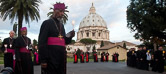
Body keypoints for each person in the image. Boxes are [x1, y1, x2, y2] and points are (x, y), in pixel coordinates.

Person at [38, 2, 75, 74]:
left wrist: (70, 36)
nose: (62, 14)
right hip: (50, 57)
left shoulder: (62, 25)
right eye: (60, 11)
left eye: (63, 12)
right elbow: (42, 42)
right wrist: (43, 60)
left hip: (61, 57)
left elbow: (65, 41)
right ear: (54, 11)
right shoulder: (47, 23)